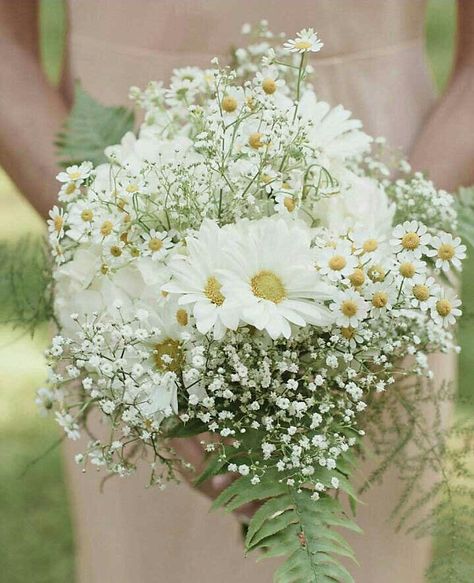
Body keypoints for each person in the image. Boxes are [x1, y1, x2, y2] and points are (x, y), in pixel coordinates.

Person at [1, 1, 473, 581]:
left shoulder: (379, 254)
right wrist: (121, 268)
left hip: (375, 206)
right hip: (120, 210)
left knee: (357, 544)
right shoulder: (118, 265)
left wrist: (382, 264)